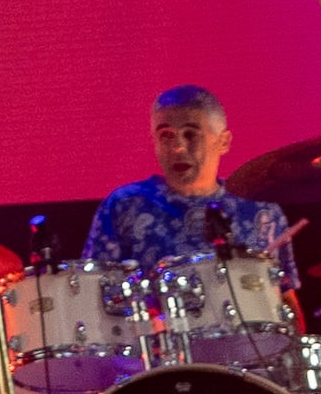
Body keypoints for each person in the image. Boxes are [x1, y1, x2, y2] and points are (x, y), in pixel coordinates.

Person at [78, 85, 293, 273]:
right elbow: (93, 288)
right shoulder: (125, 206)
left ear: (224, 142)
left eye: (190, 134)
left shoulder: (261, 211)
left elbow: (282, 297)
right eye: (166, 136)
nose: (178, 147)